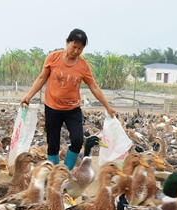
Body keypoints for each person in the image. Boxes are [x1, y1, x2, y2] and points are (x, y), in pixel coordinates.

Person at [20, 28, 117, 170]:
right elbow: (42, 78)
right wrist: (28, 96)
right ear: (67, 42)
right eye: (74, 46)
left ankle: (66, 171)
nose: (76, 51)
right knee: (53, 144)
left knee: (78, 140)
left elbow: (94, 87)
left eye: (80, 48)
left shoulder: (83, 66)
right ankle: (53, 174)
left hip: (72, 110)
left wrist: (108, 106)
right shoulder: (52, 58)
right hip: (52, 108)